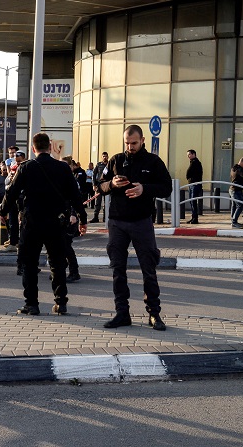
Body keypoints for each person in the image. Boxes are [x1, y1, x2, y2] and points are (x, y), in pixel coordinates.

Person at [1, 133, 87, 316]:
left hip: (32, 223)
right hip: (56, 223)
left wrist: (2, 212)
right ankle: (61, 303)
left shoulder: (26, 168)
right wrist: (83, 218)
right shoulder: (63, 168)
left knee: (30, 264)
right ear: (49, 146)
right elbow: (75, 195)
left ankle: (32, 304)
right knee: (57, 263)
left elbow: (12, 193)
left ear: (33, 149)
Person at [95, 125, 172, 330]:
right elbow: (99, 186)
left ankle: (154, 313)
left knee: (149, 269)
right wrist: (111, 183)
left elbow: (167, 188)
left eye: (134, 143)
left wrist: (144, 189)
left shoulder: (153, 162)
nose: (130, 147)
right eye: (127, 143)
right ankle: (122, 313)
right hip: (117, 222)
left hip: (141, 222)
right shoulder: (116, 160)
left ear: (143, 140)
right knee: (118, 269)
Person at [229, 157, 243, 228]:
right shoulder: (240, 169)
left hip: (232, 189)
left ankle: (233, 221)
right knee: (240, 206)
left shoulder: (234, 168)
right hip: (236, 190)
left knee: (234, 206)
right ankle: (234, 222)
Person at [90, 151, 109, 223]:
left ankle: (105, 217)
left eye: (106, 156)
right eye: (103, 156)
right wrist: (94, 184)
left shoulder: (109, 164)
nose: (105, 158)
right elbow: (94, 174)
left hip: (107, 185)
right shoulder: (99, 165)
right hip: (99, 185)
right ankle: (95, 217)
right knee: (98, 202)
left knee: (106, 203)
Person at [185, 149, 203, 224]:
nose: (188, 156)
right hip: (192, 184)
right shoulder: (193, 162)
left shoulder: (195, 162)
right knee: (192, 202)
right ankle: (193, 217)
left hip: (194, 184)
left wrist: (189, 178)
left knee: (193, 201)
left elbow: (189, 172)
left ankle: (195, 218)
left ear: (193, 154)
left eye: (189, 154)